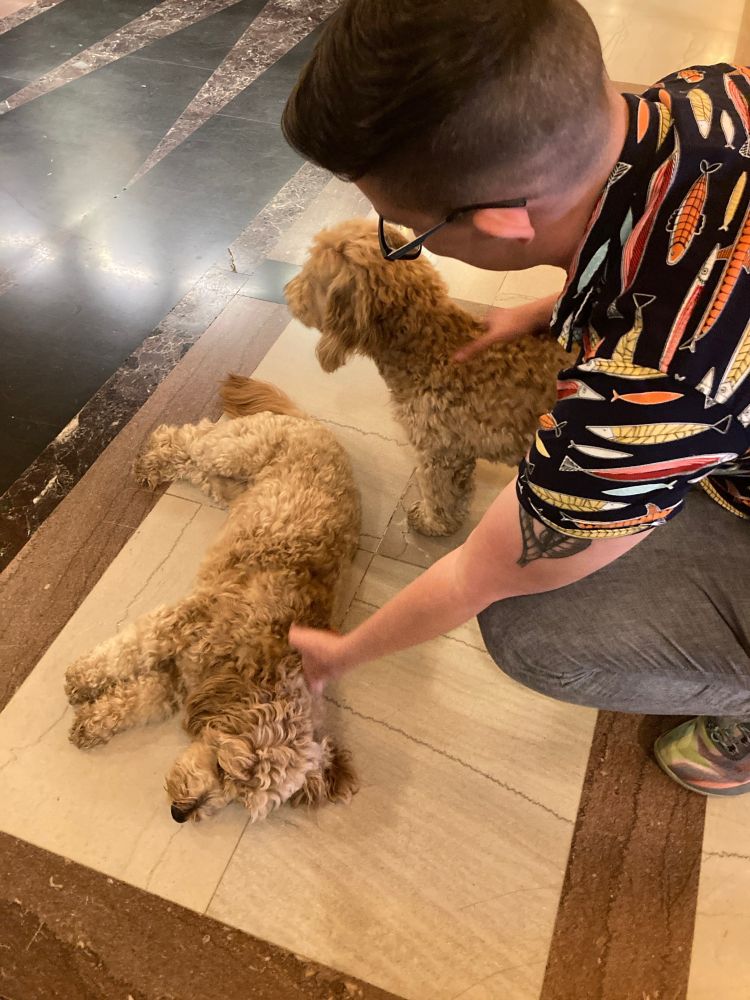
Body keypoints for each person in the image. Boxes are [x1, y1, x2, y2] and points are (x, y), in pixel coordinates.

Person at [281, 0, 750, 796]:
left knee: (530, 628)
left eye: (405, 230)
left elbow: (482, 574)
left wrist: (342, 651)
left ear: (499, 222)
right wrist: (556, 308)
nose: (401, 242)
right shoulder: (709, 94)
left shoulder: (641, 389)